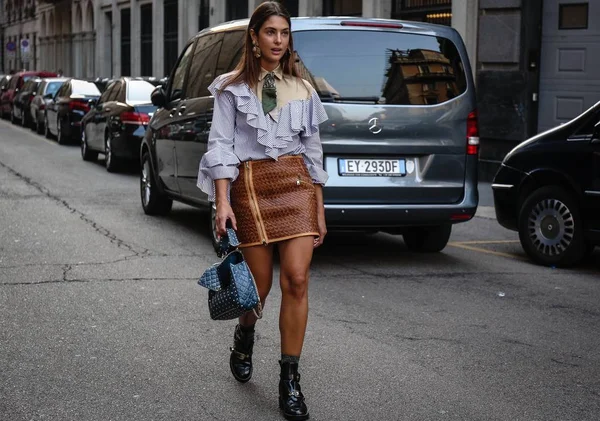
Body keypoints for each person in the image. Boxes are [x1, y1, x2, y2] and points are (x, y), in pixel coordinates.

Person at [197, 2, 328, 420]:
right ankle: (245, 332)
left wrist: (319, 209)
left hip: (296, 187)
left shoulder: (303, 90)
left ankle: (289, 381)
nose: (278, 40)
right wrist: (222, 202)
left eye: (284, 33)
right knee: (259, 289)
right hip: (250, 189)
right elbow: (220, 145)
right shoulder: (230, 88)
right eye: (270, 32)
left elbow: (312, 151)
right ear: (254, 38)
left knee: (297, 278)